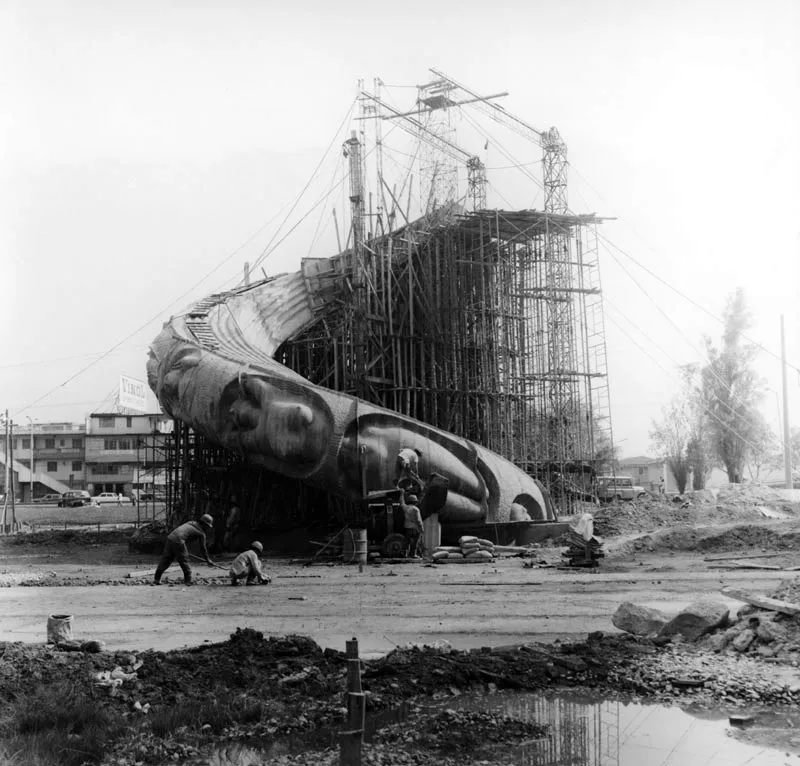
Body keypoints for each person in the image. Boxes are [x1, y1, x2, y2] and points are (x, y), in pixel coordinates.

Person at [153, 514, 215, 586]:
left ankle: (156, 579)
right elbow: (203, 548)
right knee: (185, 561)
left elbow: (184, 534)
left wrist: (181, 548)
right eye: (207, 526)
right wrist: (208, 560)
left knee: (166, 560)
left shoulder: (190, 522)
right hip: (178, 541)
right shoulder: (201, 533)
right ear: (204, 524)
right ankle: (188, 581)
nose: (207, 528)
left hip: (170, 538)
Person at [400, 492, 424, 558]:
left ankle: (404, 554)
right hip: (415, 529)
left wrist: (401, 494)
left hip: (407, 528)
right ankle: (413, 554)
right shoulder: (416, 509)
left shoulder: (406, 508)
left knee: (407, 542)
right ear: (415, 502)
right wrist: (421, 528)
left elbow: (401, 503)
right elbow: (418, 520)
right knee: (415, 543)